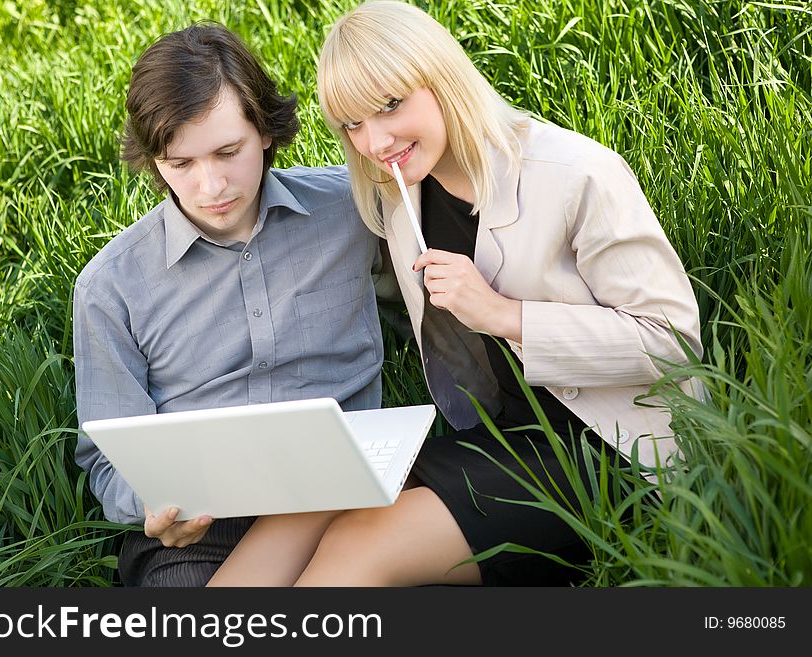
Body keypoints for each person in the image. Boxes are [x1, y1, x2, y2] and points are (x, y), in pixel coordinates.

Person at [206, 0, 703, 587]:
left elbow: (673, 344)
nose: (376, 140)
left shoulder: (576, 176)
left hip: (611, 446)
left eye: (390, 105)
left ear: (440, 77)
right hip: (503, 432)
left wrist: (503, 315)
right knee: (315, 503)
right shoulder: (399, 195)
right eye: (352, 124)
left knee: (359, 546)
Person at [72, 22, 385, 587]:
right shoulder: (111, 286)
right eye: (181, 164)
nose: (210, 185)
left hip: (346, 491)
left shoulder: (354, 210)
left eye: (227, 152)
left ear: (264, 130)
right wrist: (156, 505)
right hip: (202, 527)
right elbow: (106, 453)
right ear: (155, 161)